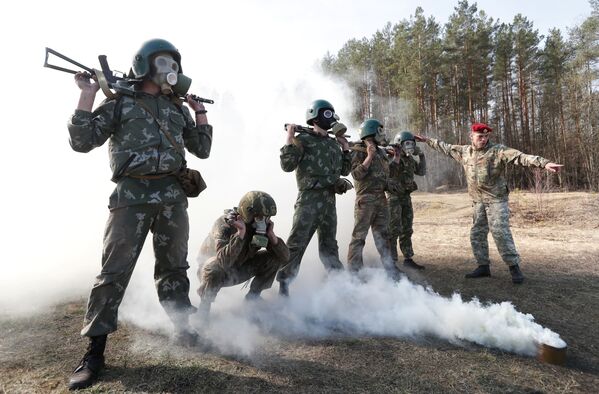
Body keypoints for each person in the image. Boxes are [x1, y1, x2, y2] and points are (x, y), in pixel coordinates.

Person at [66, 38, 212, 390]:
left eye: (175, 64)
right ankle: (94, 353)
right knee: (113, 273)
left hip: (172, 198)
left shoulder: (176, 108)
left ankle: (183, 327)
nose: (172, 70)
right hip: (131, 196)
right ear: (146, 64)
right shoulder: (120, 103)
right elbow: (82, 141)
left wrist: (199, 112)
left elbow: (202, 149)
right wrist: (87, 95)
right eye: (165, 63)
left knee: (174, 267)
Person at [415, 122, 563, 284]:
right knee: (477, 234)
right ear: (471, 136)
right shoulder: (465, 152)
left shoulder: (497, 151)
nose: (484, 139)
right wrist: (427, 140)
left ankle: (514, 267)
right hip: (477, 201)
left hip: (496, 200)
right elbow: (445, 147)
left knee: (500, 233)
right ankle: (483, 266)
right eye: (480, 136)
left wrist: (544, 163)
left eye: (486, 136)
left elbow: (520, 157)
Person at [276, 99, 352, 296]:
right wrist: (290, 137)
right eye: (326, 114)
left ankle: (339, 284)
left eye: (332, 114)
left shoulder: (333, 144)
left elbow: (345, 170)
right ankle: (284, 284)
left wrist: (345, 148)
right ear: (315, 116)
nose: (331, 118)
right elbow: (286, 166)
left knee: (329, 245)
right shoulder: (303, 140)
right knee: (297, 243)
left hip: (329, 202)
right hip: (309, 201)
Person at [197, 191, 289, 316]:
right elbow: (223, 262)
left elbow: (285, 257)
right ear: (248, 213)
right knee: (214, 266)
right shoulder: (225, 225)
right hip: (214, 273)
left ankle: (252, 299)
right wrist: (240, 233)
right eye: (260, 216)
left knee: (275, 258)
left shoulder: (259, 229)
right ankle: (204, 308)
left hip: (239, 268)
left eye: (267, 217)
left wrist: (272, 237)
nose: (264, 220)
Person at [347, 119, 403, 280]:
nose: (383, 134)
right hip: (365, 200)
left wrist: (396, 159)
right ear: (371, 132)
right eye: (380, 131)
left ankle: (390, 269)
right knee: (359, 237)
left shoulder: (381, 151)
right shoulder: (358, 150)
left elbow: (385, 175)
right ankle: (354, 273)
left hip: (381, 198)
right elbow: (356, 174)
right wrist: (369, 156)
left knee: (384, 236)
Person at [387, 131, 426, 270]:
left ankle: (408, 258)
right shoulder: (390, 157)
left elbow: (421, 172)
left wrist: (421, 155)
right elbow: (389, 173)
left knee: (407, 228)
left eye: (412, 143)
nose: (410, 146)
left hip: (406, 197)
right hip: (393, 198)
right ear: (399, 144)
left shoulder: (410, 160)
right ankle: (390, 261)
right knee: (393, 230)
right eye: (407, 143)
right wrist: (395, 156)